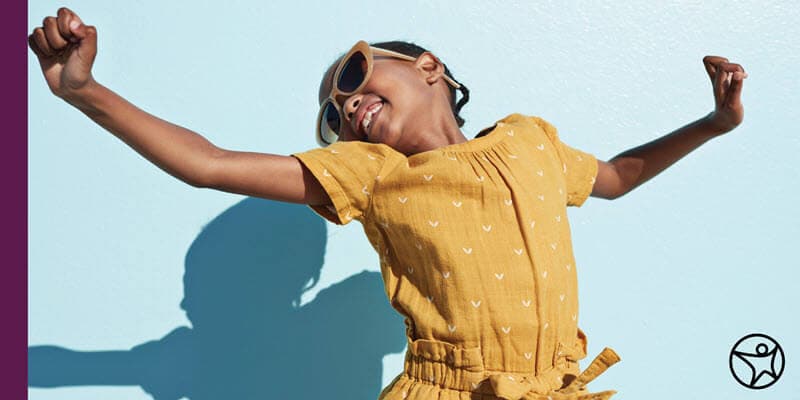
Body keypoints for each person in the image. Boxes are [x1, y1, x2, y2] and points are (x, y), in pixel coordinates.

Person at [28, 7, 747, 400]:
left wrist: (712, 124)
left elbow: (617, 176)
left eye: (354, 74)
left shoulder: (529, 141)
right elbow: (209, 165)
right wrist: (84, 91)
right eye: (334, 113)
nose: (346, 103)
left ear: (429, 68)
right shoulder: (371, 173)